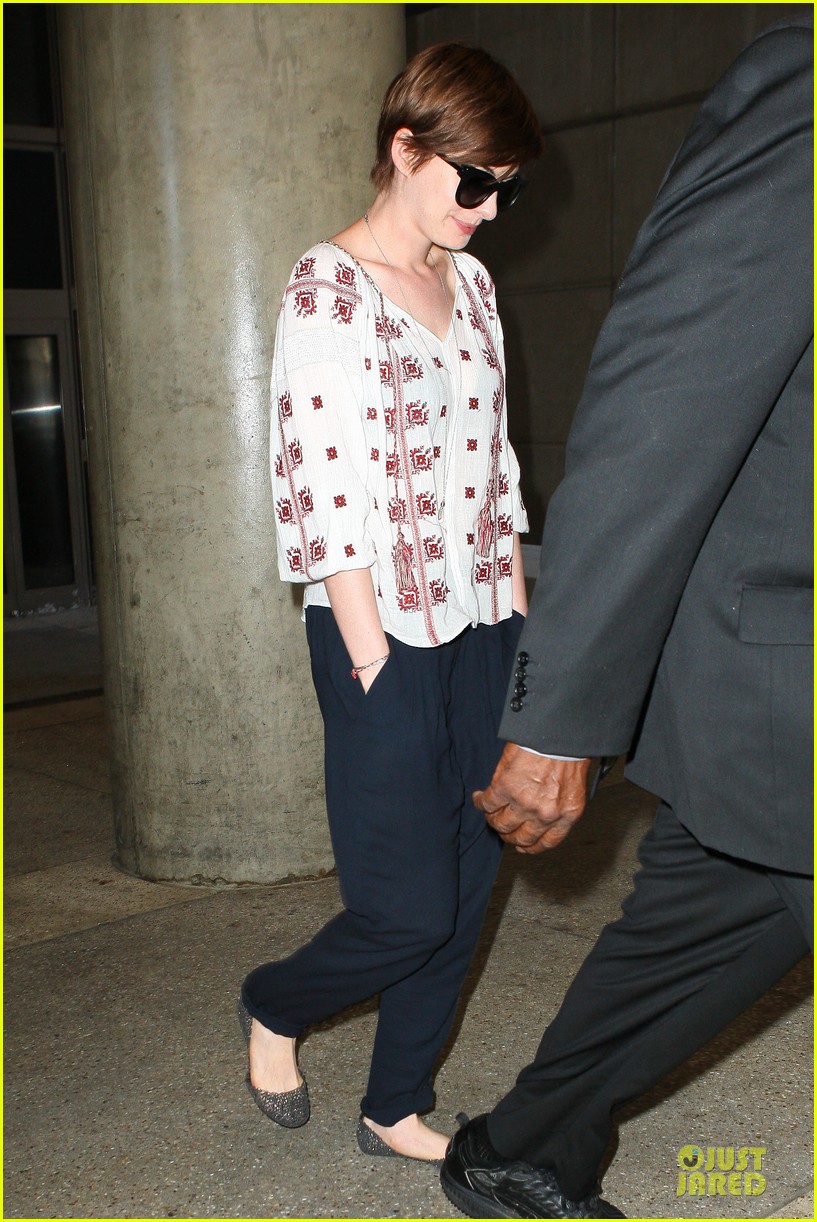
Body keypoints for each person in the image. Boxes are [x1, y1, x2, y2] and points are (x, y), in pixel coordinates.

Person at [440, 13, 812, 1218]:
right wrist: (561, 714)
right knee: (747, 888)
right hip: (781, 645)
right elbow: (664, 401)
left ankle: (523, 1144)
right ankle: (522, 1144)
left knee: (734, 893)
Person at [238, 43, 543, 1163]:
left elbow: (497, 465)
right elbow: (319, 485)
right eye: (475, 182)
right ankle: (275, 1002)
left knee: (466, 884)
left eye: (506, 190)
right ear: (406, 148)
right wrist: (369, 653)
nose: (489, 210)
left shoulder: (474, 285)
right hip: (383, 632)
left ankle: (394, 1104)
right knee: (405, 906)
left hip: (484, 622)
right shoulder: (329, 285)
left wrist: (518, 631)